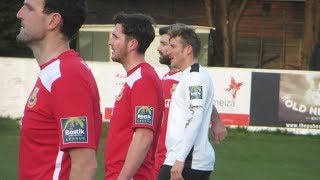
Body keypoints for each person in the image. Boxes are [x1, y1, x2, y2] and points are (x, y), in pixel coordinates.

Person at [16, 0, 102, 179]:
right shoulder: (55, 72)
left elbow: (84, 165)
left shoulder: (67, 75)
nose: (19, 14)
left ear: (53, 21)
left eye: (29, 8)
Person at [154, 26, 227, 178]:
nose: (169, 51)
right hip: (184, 159)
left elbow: (196, 117)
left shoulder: (194, 78)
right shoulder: (190, 76)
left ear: (188, 49)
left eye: (173, 46)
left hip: (187, 161)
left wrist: (180, 159)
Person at [104, 12, 164, 180]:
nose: (110, 42)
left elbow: (144, 136)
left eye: (115, 37)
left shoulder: (143, 79)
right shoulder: (136, 77)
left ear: (132, 44)